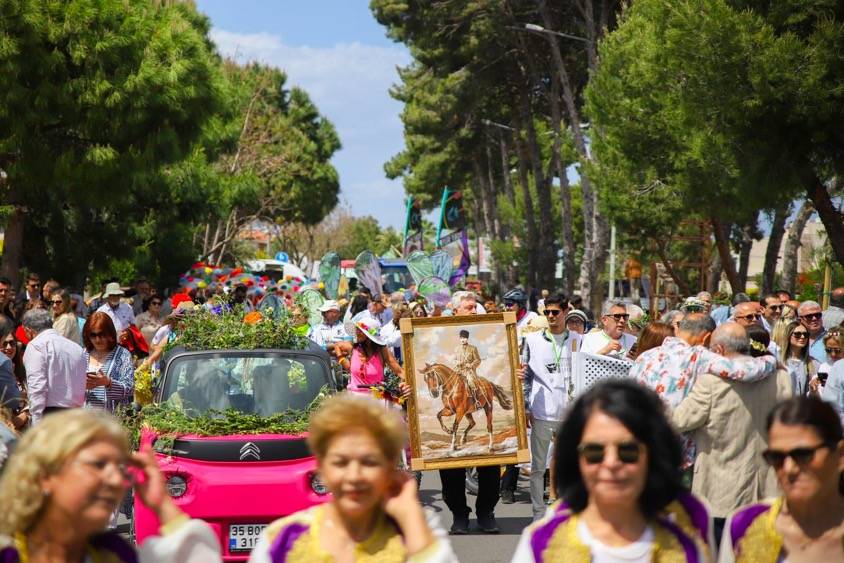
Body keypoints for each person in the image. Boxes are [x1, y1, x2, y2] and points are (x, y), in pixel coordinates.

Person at [512, 380, 711, 562]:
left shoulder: (688, 537)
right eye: (594, 452)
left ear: (653, 455)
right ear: (575, 460)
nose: (612, 463)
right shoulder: (541, 545)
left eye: (628, 451)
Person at [249, 394, 456, 562]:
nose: (354, 477)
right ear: (322, 467)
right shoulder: (281, 542)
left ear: (390, 467)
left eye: (369, 462)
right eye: (340, 463)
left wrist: (410, 517)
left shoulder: (418, 528)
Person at [0, 408, 222, 562]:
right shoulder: (7, 553)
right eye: (98, 464)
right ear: (45, 474)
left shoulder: (114, 554)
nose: (116, 480)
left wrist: (162, 504)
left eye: (120, 468)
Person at [672, 323, 792, 546]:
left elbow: (679, 421)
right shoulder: (780, 377)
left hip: (720, 491)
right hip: (766, 489)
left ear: (718, 350)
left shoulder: (711, 382)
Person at [631, 314, 777, 468]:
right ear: (706, 337)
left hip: (638, 448)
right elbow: (745, 371)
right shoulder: (698, 356)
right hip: (673, 456)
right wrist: (770, 360)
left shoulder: (645, 357)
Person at [720, 396, 844, 562]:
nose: (789, 469)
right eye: (777, 457)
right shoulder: (744, 527)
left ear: (840, 456)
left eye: (803, 455)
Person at [437, 295, 502, 535]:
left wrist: (471, 367)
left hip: (471, 374)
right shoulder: (447, 337)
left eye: (475, 306)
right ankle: (459, 514)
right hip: (457, 372)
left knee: (475, 386)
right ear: (455, 311)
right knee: (448, 389)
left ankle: (486, 512)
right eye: (468, 307)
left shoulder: (476, 343)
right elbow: (454, 360)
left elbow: (476, 360)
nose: (474, 310)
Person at [518, 295, 582, 518]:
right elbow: (524, 377)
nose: (551, 317)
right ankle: (538, 511)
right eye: (548, 313)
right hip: (541, 411)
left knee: (568, 466)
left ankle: (564, 510)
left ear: (565, 312)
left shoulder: (577, 339)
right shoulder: (532, 340)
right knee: (537, 467)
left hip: (569, 414)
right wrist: (525, 407)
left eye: (556, 312)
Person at [20, 309, 86, 424]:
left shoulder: (36, 346)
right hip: (77, 416)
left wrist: (37, 423)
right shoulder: (76, 348)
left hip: (51, 417)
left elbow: (37, 388)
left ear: (28, 330)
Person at [82, 312, 135, 413]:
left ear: (110, 334)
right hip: (86, 421)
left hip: (112, 421)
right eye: (93, 335)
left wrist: (108, 382)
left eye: (101, 335)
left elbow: (129, 388)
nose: (97, 340)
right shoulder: (82, 354)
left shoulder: (123, 355)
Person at [335, 317, 403, 395]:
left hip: (376, 400)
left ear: (370, 336)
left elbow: (400, 371)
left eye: (360, 330)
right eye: (357, 329)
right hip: (353, 401)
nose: (357, 332)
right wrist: (342, 361)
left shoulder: (382, 351)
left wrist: (406, 385)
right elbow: (337, 345)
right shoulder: (353, 348)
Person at [779, 320, 819, 396]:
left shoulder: (813, 363)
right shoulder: (779, 360)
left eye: (805, 334)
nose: (802, 337)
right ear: (788, 335)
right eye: (797, 334)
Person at [0, 319, 28, 429]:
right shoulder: (4, 364)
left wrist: (25, 413)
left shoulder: (23, 369)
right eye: (4, 344)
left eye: (12, 343)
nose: (9, 347)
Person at [821, 329, 844, 423]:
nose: (833, 354)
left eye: (838, 350)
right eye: (829, 350)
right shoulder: (824, 367)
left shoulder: (839, 366)